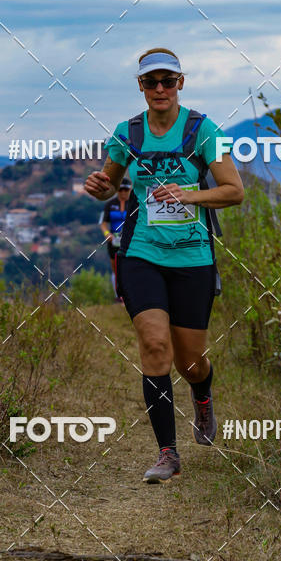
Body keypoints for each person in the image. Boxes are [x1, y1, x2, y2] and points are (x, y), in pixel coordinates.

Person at [84, 47, 244, 483]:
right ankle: (168, 453)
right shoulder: (126, 133)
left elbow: (234, 191)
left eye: (167, 81)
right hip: (141, 253)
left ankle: (203, 394)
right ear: (140, 86)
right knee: (155, 346)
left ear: (180, 84)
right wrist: (98, 186)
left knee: (190, 361)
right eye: (151, 82)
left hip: (193, 256)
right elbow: (110, 185)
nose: (159, 89)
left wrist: (189, 195)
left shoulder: (204, 129)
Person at [98, 176, 132, 299]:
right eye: (120, 190)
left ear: (130, 190)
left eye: (126, 190)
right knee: (116, 269)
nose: (123, 193)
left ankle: (130, 293)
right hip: (114, 241)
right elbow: (102, 223)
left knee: (130, 266)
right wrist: (107, 234)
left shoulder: (134, 204)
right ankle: (119, 295)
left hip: (131, 241)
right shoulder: (109, 205)